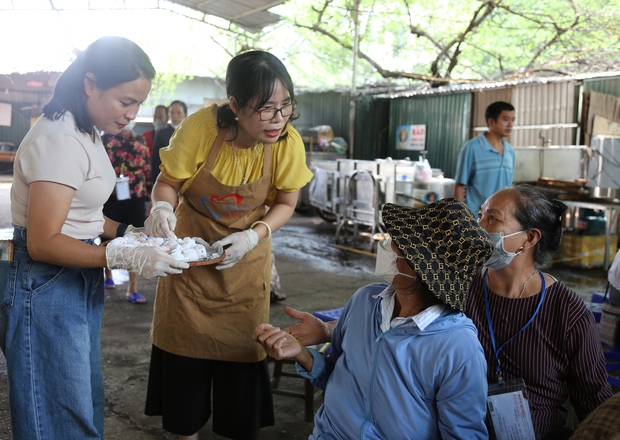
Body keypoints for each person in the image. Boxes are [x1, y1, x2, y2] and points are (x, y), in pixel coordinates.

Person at [285, 184, 613, 440]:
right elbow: (392, 323)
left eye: (492, 219)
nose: (478, 225)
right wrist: (329, 330)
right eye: (479, 213)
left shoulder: (567, 313)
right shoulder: (451, 286)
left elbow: (594, 402)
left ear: (528, 238)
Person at [0, 36, 188, 439]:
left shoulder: (86, 130)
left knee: (81, 402)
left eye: (138, 104)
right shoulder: (60, 138)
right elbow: (44, 241)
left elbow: (83, 214)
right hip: (43, 281)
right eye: (125, 101)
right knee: (58, 415)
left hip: (72, 276)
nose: (132, 114)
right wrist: (121, 256)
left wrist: (129, 232)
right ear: (91, 84)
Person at [143, 50, 313, 439]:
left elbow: (287, 203)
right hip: (188, 271)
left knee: (240, 394)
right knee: (184, 391)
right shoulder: (200, 129)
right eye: (265, 108)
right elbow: (168, 182)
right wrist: (162, 208)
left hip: (244, 273)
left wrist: (254, 234)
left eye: (285, 106)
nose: (278, 119)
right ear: (234, 105)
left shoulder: (287, 142)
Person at [255, 199, 494, 439]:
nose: (387, 246)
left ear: (422, 269)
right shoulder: (366, 300)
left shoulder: (459, 348)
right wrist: (302, 355)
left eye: (398, 244)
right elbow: (337, 377)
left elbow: (464, 434)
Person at [102, 124, 153, 304]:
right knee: (107, 233)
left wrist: (149, 198)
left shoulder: (139, 140)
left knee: (136, 237)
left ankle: (133, 288)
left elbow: (146, 169)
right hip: (110, 194)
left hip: (135, 195)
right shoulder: (104, 139)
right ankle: (108, 276)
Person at [454, 101, 516, 213]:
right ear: (491, 122)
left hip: (501, 217)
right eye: (506, 119)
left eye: (513, 120)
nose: (510, 124)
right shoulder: (472, 148)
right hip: (476, 217)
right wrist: (461, 219)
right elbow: (460, 186)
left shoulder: (510, 151)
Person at [151, 99, 186, 184]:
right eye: (172, 113)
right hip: (166, 179)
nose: (174, 116)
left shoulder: (191, 133)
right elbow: (156, 159)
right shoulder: (162, 133)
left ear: (185, 115)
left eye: (178, 113)